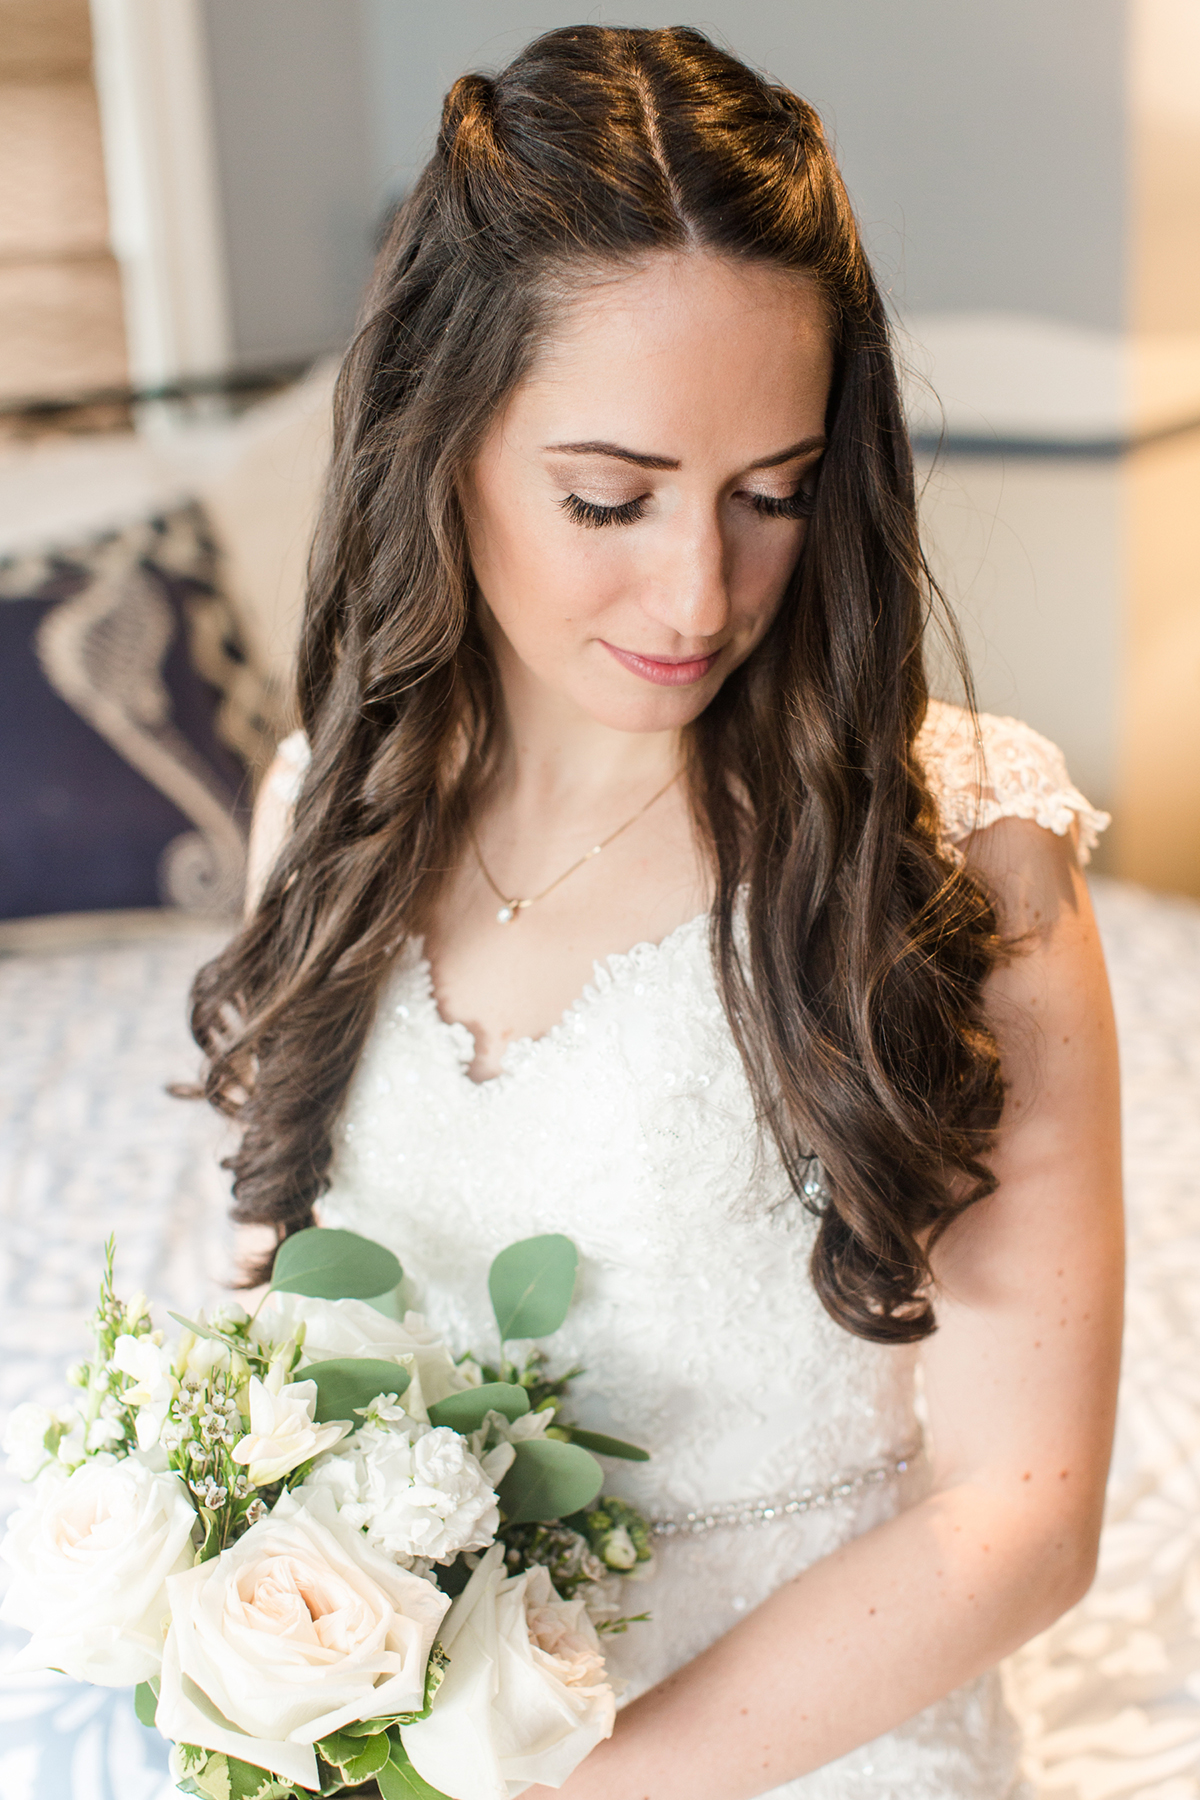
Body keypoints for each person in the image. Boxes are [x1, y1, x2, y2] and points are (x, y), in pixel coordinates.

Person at [193, 25, 1123, 1799]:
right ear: (440, 444)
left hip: (822, 1731)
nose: (702, 592)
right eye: (608, 498)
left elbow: (1024, 1518)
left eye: (772, 494)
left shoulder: (961, 838)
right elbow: (261, 1301)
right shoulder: (326, 803)